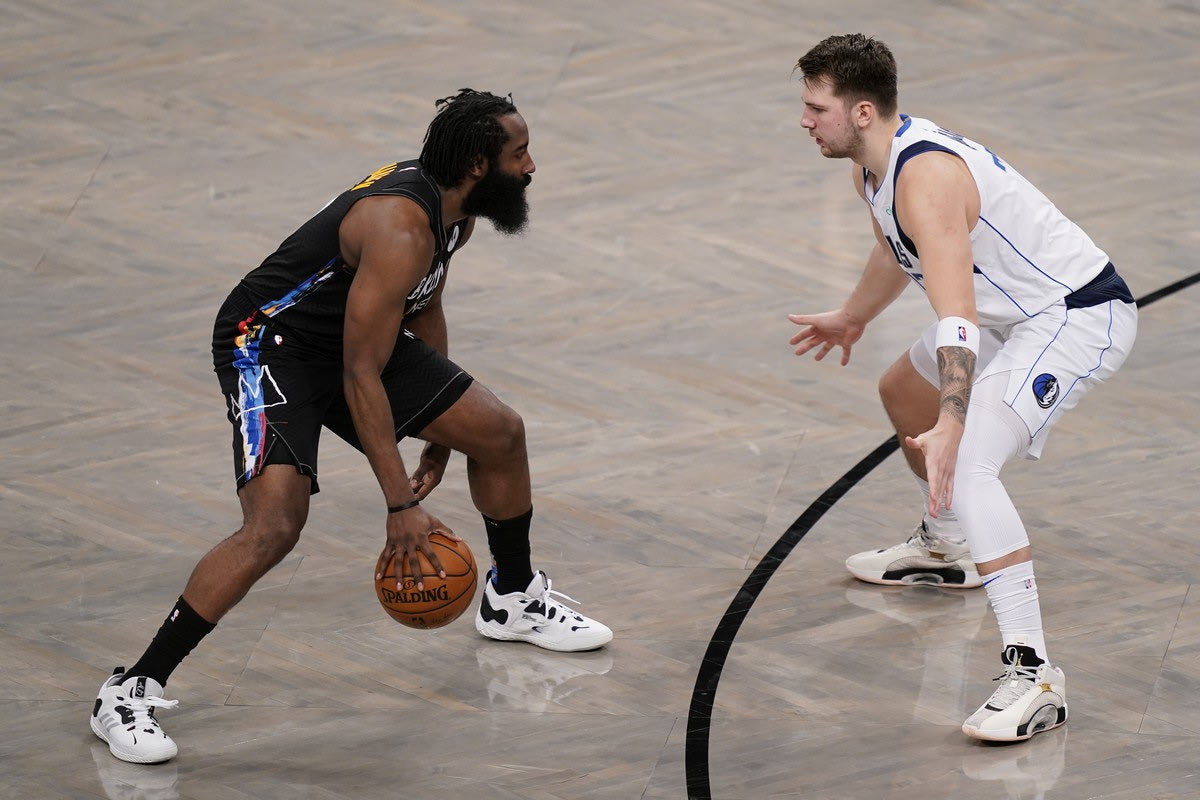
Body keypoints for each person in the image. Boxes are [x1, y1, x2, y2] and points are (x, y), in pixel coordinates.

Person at [90, 88, 612, 765]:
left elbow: (423, 307)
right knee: (275, 525)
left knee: (499, 433)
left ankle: (512, 597)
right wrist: (399, 506)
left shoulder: (455, 215)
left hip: (356, 339)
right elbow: (360, 374)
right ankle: (130, 689)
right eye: (520, 154)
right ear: (478, 165)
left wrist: (438, 434)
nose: (532, 166)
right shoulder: (400, 226)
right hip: (270, 346)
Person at [787, 34, 1136, 742]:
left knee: (970, 458)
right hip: (1016, 317)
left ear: (860, 112)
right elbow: (896, 249)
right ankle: (947, 546)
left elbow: (957, 318)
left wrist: (952, 422)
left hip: (1075, 317)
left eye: (816, 108)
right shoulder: (873, 171)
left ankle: (1035, 677)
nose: (805, 120)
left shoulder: (927, 178)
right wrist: (854, 316)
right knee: (901, 391)